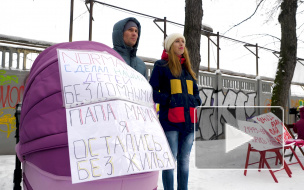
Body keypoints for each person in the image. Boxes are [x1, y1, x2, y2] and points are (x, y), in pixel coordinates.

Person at [149, 33, 201, 190]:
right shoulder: (161, 66)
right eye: (177, 41)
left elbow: (196, 95)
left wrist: (195, 101)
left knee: (184, 160)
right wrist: (169, 100)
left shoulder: (188, 70)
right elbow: (151, 91)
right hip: (170, 121)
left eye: (183, 41)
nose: (181, 44)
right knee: (170, 160)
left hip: (189, 122)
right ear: (170, 45)